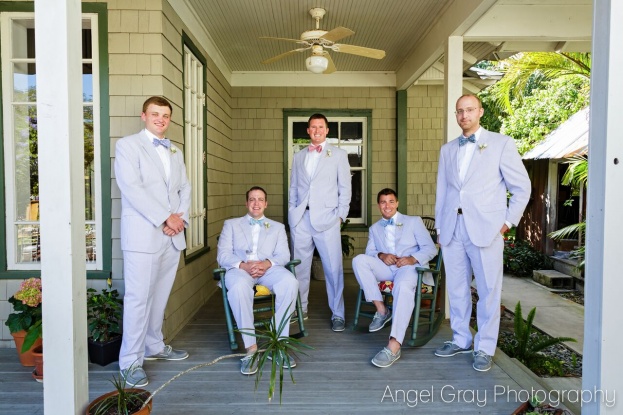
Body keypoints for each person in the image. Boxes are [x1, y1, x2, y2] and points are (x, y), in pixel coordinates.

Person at [434, 94, 530, 372]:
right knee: (457, 288)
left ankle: (485, 347)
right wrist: (440, 229)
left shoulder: (501, 144)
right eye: (460, 111)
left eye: (470, 110)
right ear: (456, 115)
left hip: (487, 229)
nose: (464, 115)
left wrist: (507, 223)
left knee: (489, 290)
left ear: (480, 112)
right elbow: (443, 192)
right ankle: (461, 338)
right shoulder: (447, 149)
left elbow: (522, 187)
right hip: (453, 229)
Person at [114, 96, 191, 387]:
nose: (161, 119)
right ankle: (130, 362)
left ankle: (155, 345)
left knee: (159, 296)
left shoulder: (175, 150)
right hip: (144, 236)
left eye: (166, 115)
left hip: (172, 236)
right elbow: (131, 188)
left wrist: (179, 219)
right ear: (143, 115)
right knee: (138, 299)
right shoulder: (128, 146)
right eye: (155, 114)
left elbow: (185, 187)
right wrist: (165, 217)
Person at [217, 186, 299, 375]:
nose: (256, 203)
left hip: (268, 269)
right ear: (246, 203)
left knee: (290, 282)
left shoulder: (277, 227)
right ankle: (251, 350)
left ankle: (278, 343)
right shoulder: (231, 225)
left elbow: (284, 255)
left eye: (260, 199)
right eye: (252, 199)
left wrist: (267, 263)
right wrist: (243, 265)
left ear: (266, 204)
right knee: (238, 288)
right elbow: (223, 255)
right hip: (240, 269)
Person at [352, 188, 437, 368]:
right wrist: (382, 255)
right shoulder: (375, 228)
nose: (387, 205)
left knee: (403, 286)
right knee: (359, 260)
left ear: (397, 203)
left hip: (410, 267)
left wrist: (412, 258)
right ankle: (382, 310)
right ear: (378, 205)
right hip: (387, 268)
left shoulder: (413, 222)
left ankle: (394, 345)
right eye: (383, 202)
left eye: (391, 201)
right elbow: (370, 252)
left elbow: (430, 248)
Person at [288, 113, 352, 332]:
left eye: (320, 127)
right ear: (308, 131)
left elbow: (345, 188)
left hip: (327, 220)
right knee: (299, 269)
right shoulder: (298, 156)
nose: (316, 130)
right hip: (301, 220)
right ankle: (300, 308)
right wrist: (292, 214)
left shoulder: (339, 155)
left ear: (327, 130)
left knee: (333, 269)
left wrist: (340, 216)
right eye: (313, 127)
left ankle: (338, 314)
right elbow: (294, 188)